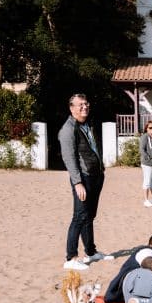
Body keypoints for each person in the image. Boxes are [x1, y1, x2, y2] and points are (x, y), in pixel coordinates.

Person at [58, 93, 112, 270]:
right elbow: (69, 159)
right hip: (83, 178)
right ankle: (71, 258)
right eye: (80, 105)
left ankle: (90, 252)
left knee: (90, 216)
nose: (84, 107)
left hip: (96, 175)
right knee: (79, 217)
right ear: (71, 108)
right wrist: (77, 182)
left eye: (86, 103)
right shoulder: (68, 130)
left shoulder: (87, 124)